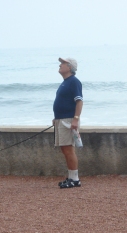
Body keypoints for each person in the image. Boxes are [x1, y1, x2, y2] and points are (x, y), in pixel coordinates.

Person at [52, 57, 83, 189]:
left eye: (63, 63)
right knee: (64, 149)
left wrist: (75, 119)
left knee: (69, 149)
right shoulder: (65, 82)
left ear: (69, 67)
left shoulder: (74, 82)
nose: (60, 65)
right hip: (61, 119)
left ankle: (75, 179)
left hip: (68, 120)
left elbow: (79, 101)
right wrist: (56, 118)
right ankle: (71, 177)